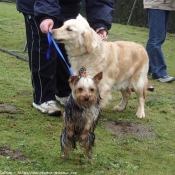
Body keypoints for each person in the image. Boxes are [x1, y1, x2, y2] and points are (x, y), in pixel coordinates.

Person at [16, 0, 114, 116]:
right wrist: (46, 14)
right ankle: (43, 98)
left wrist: (100, 24)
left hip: (67, 8)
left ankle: (63, 92)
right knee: (44, 49)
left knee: (65, 49)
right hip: (38, 5)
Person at [143, 0, 175, 83]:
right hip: (157, 4)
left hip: (164, 5)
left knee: (156, 38)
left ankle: (149, 67)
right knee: (156, 39)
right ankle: (159, 73)